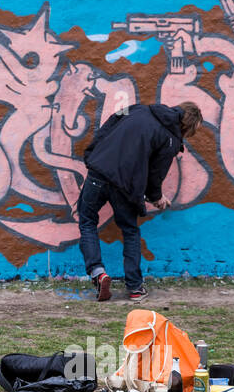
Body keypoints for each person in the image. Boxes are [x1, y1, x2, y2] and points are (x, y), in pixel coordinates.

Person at [78, 101, 202, 302]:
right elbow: (156, 175)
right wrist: (156, 197)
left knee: (87, 221)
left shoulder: (139, 108)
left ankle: (98, 273)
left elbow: (111, 122)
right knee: (130, 231)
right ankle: (135, 288)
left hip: (99, 172)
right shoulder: (170, 140)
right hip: (125, 186)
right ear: (187, 127)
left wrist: (93, 153)